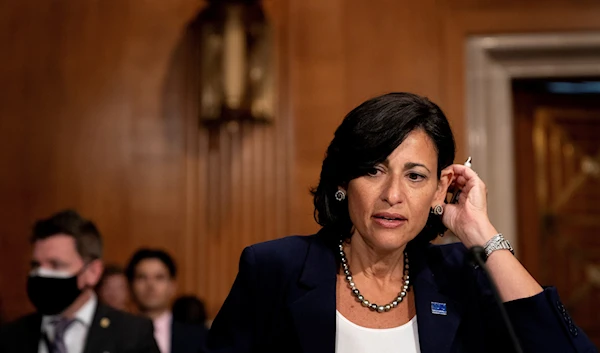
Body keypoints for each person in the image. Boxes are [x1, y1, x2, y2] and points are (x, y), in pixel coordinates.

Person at [205, 93, 598, 353]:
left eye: (415, 176)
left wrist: (481, 232)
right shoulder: (275, 268)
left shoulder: (461, 275)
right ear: (343, 181)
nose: (393, 195)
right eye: (374, 171)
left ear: (440, 187)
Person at [0, 209, 159, 353]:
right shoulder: (11, 336)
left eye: (56, 265)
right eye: (36, 265)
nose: (42, 274)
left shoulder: (132, 334)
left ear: (92, 272)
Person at [126, 249, 207, 353]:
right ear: (130, 286)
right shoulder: (117, 334)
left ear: (173, 285)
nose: (150, 285)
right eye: (142, 277)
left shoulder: (199, 336)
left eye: (159, 278)